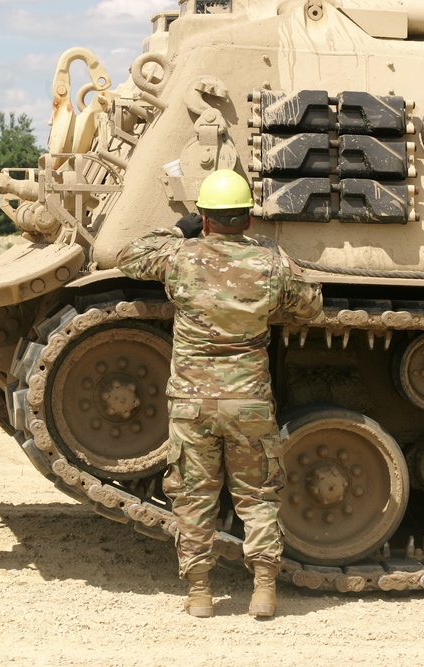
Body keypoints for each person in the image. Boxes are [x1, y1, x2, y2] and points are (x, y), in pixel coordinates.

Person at [117, 169, 323, 618]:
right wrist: (275, 255)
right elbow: (310, 304)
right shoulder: (267, 264)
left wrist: (179, 230)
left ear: (205, 220)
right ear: (247, 220)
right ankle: (265, 590)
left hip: (192, 402)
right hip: (248, 400)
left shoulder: (181, 257)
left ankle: (199, 594)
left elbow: (128, 255)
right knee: (257, 495)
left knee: (193, 495)